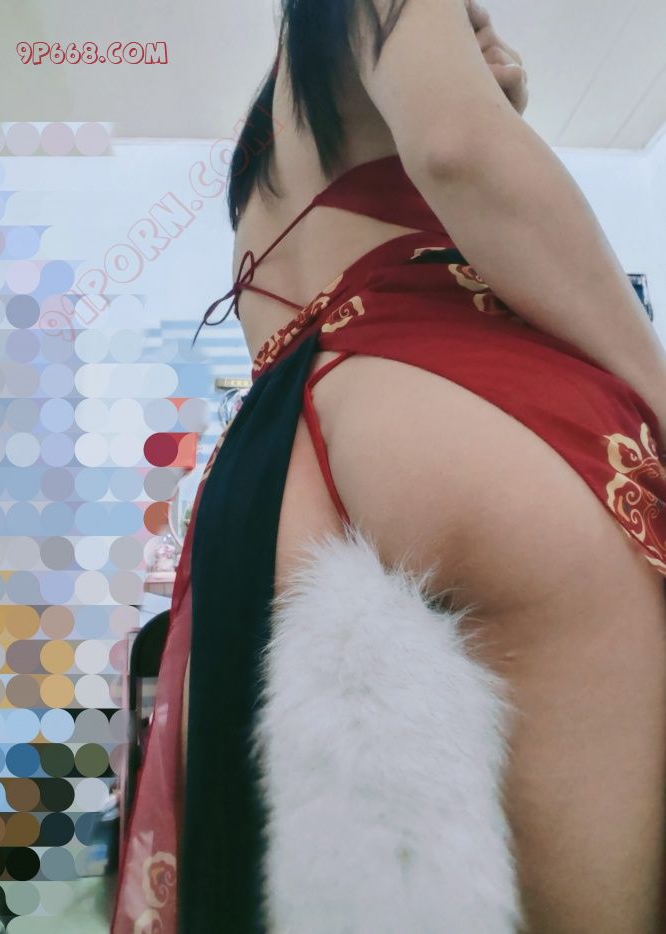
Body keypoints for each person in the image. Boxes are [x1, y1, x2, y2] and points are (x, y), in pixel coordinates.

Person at [112, 1, 666, 932]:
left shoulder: (267, 149)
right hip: (460, 409)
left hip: (269, 472)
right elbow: (457, 146)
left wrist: (488, 88)